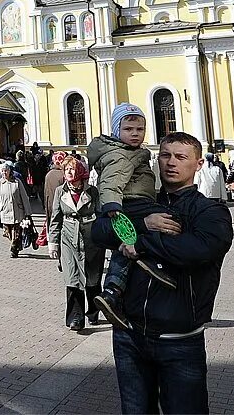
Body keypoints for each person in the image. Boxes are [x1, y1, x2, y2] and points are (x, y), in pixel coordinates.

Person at [92, 132, 234, 415]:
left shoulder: (209, 211)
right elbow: (99, 231)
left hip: (179, 339)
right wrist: (144, 223)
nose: (171, 163)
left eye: (181, 157)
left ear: (198, 164)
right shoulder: (139, 204)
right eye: (165, 155)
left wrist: (139, 242)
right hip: (130, 336)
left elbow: (196, 250)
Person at [90, 104, 177, 329]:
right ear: (116, 130)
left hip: (133, 201)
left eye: (140, 129)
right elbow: (111, 182)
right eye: (129, 129)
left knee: (125, 247)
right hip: (130, 203)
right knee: (169, 221)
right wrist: (112, 206)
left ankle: (111, 291)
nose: (135, 133)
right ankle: (153, 262)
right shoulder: (121, 155)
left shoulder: (130, 153)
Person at [48, 157, 104, 330]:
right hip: (68, 240)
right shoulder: (60, 191)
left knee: (92, 279)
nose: (69, 173)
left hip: (91, 241)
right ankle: (76, 318)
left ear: (80, 172)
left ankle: (93, 311)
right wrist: (53, 242)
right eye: (66, 170)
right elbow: (55, 217)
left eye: (72, 169)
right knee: (72, 279)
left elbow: (101, 216)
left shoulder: (93, 192)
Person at [0, 163, 28, 257]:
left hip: (17, 210)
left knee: (16, 231)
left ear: (9, 171)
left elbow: (24, 197)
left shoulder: (17, 182)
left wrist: (27, 212)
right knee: (7, 232)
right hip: (5, 211)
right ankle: (15, 245)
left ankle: (14, 248)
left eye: (6, 171)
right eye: (2, 171)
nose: (4, 173)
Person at [42, 150, 69, 228]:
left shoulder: (49, 174)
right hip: (63, 207)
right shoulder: (64, 175)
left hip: (50, 206)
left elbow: (46, 193)